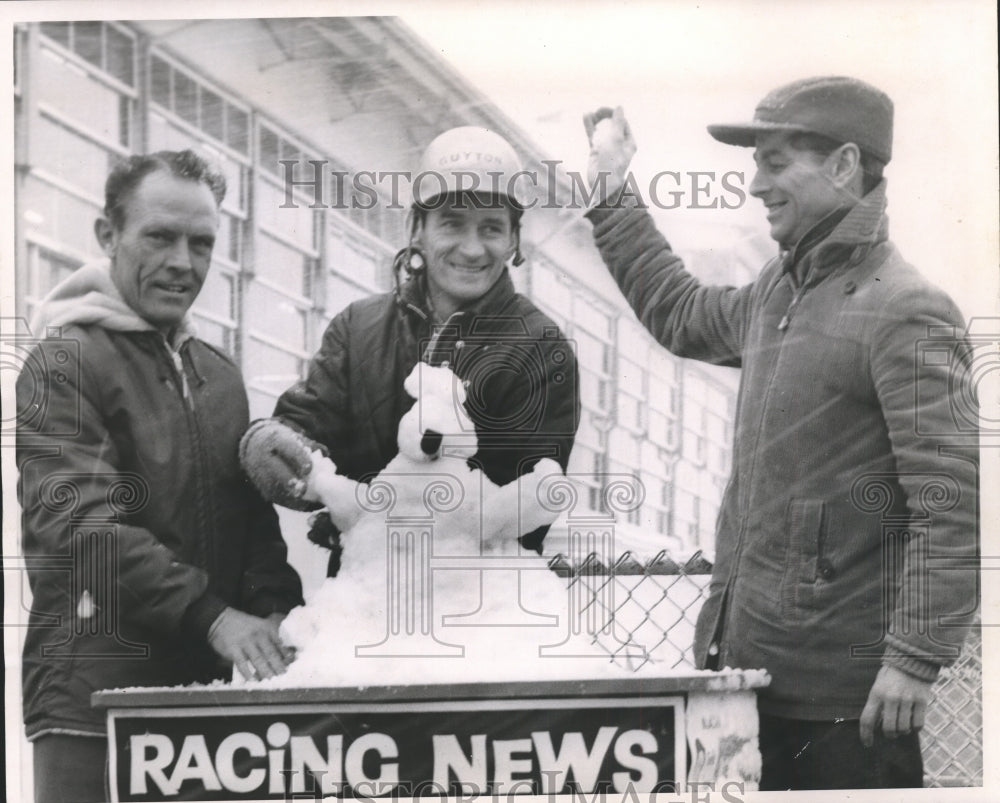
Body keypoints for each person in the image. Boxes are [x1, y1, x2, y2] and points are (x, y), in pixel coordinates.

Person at [582, 78, 978, 790]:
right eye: (755, 163)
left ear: (844, 165)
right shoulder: (777, 292)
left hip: (845, 708)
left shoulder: (907, 308)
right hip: (746, 678)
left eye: (775, 161)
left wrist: (915, 657)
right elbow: (681, 311)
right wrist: (612, 191)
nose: (755, 183)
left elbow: (948, 508)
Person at [15, 150, 304, 803]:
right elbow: (81, 529)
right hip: (92, 705)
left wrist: (277, 610)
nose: (182, 261)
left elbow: (251, 526)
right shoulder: (64, 360)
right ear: (107, 235)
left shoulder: (220, 375)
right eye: (160, 237)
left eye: (201, 243)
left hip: (201, 708)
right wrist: (212, 616)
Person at [240, 126, 580, 570]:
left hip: (482, 600)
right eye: (452, 223)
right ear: (417, 228)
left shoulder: (541, 349)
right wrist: (285, 451)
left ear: (514, 240)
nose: (473, 248)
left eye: (492, 227)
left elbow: (529, 503)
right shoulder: (357, 328)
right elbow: (309, 430)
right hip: (362, 591)